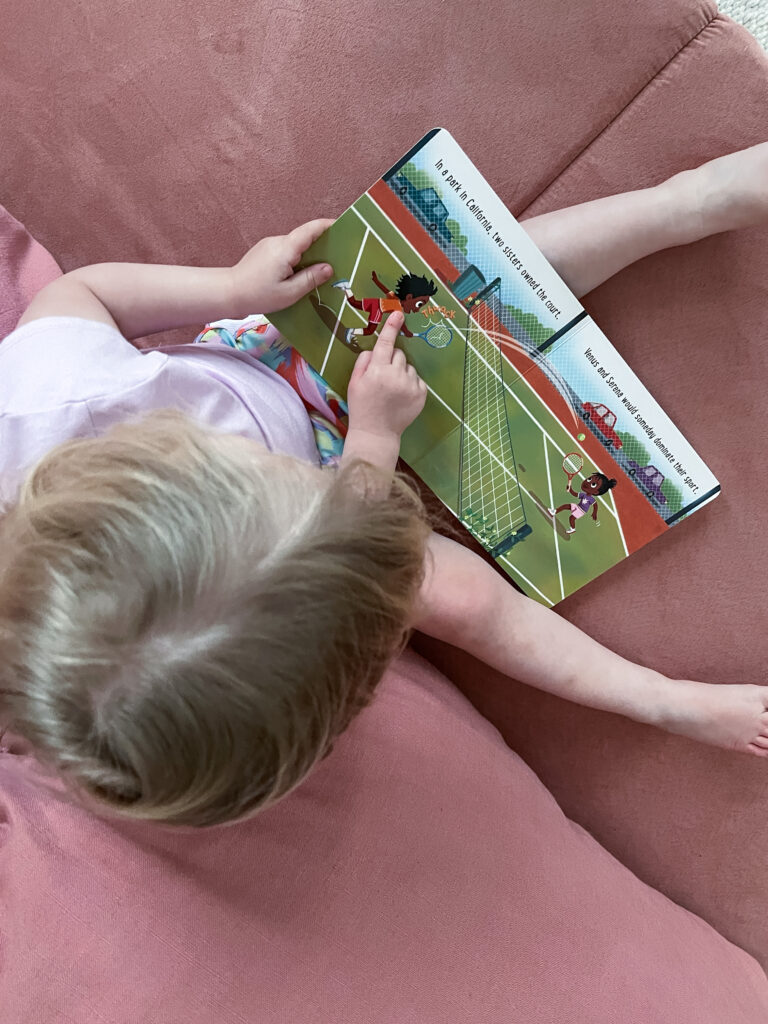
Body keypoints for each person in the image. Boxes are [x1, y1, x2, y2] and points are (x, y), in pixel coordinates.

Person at [2, 143, 768, 829]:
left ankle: (686, 200)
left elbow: (88, 295)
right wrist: (369, 446)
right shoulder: (200, 657)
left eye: (296, 494)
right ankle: (658, 697)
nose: (320, 492)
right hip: (321, 500)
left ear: (159, 456)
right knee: (458, 600)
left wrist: (232, 289)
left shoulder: (46, 395)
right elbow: (343, 534)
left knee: (452, 291)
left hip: (272, 358)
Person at [549, 472, 617, 533]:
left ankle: (572, 529)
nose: (588, 482)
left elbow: (595, 505)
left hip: (582, 511)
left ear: (596, 492)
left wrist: (594, 513)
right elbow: (575, 494)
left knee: (571, 518)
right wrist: (570, 489)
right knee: (566, 506)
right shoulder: (583, 495)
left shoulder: (591, 499)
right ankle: (554, 511)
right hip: (578, 506)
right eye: (589, 479)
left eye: (593, 484)